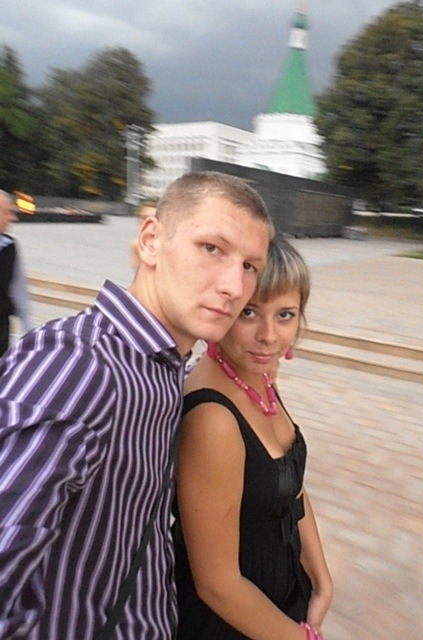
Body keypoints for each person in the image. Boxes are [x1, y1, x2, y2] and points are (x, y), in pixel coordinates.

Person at [0, 171, 273, 640]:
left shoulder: (163, 367)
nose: (234, 285)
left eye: (250, 266)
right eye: (211, 248)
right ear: (150, 242)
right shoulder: (79, 367)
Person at [173, 234, 333, 640]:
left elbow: (292, 486)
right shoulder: (213, 418)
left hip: (281, 600)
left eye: (285, 315)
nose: (269, 336)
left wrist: (322, 579)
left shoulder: (257, 377)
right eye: (249, 312)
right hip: (229, 623)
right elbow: (217, 585)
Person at [0, 190, 32, 356]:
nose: (13, 218)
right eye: (7, 212)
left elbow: (19, 289)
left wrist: (29, 330)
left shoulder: (9, 246)